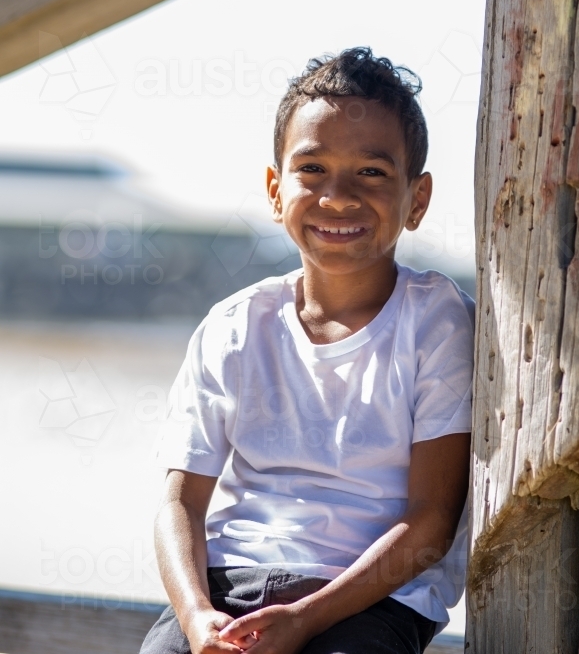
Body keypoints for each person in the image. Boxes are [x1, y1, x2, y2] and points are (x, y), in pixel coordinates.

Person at [141, 48, 475, 654]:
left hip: (371, 597)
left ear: (417, 199)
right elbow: (180, 501)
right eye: (312, 169)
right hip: (228, 584)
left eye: (372, 173)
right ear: (276, 189)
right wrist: (195, 619)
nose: (338, 196)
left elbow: (432, 518)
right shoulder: (235, 327)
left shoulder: (436, 323)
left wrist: (305, 618)